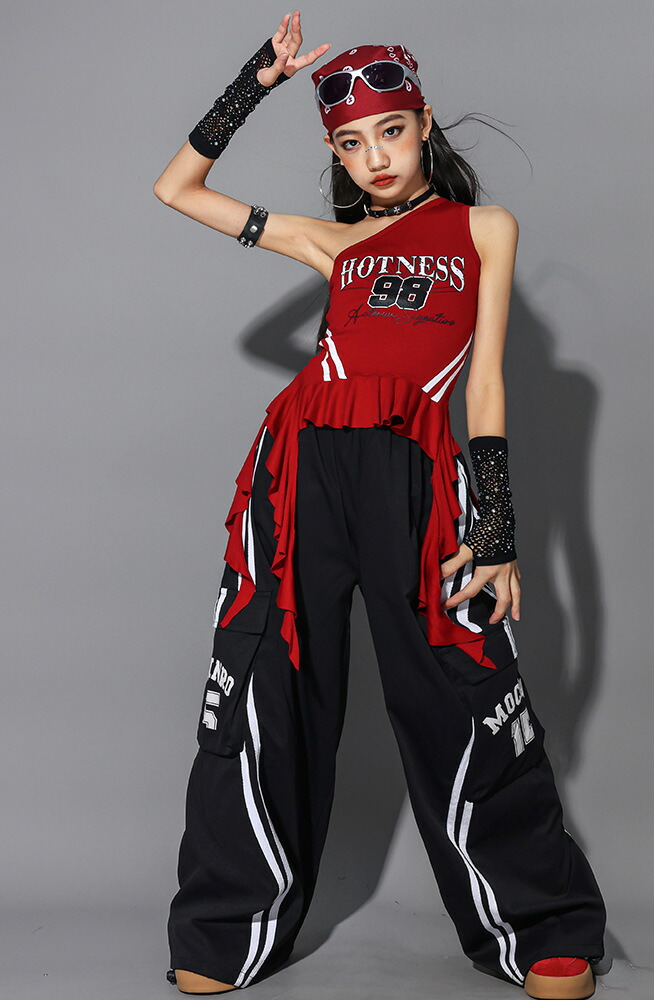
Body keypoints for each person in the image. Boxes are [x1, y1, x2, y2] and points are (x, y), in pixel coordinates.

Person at [153, 11, 607, 999]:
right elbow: (176, 189)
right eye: (352, 143)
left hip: (417, 478)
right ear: (336, 154)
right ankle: (227, 924)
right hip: (298, 470)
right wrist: (255, 82)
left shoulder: (483, 229)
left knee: (465, 688)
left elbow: (483, 384)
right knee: (264, 680)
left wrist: (497, 528)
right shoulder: (330, 242)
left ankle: (538, 922)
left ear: (424, 122)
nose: (377, 156)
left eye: (391, 131)